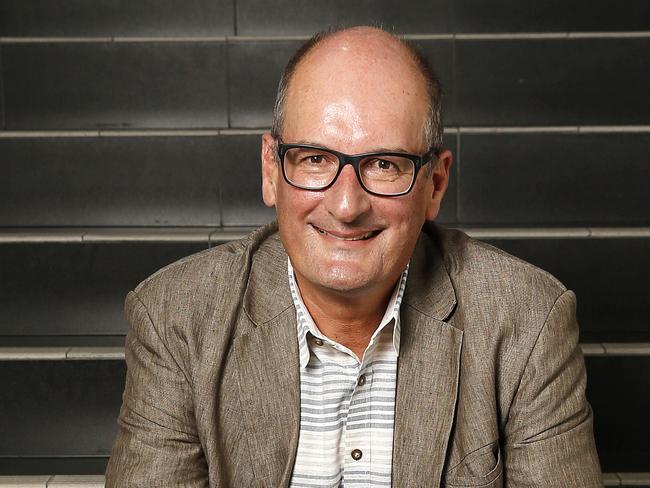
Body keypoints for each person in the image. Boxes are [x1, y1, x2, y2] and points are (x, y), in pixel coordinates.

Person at [106, 26, 602, 487]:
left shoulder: (529, 322)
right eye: (316, 159)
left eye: (385, 164)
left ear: (435, 184)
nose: (346, 206)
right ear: (270, 170)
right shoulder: (175, 317)